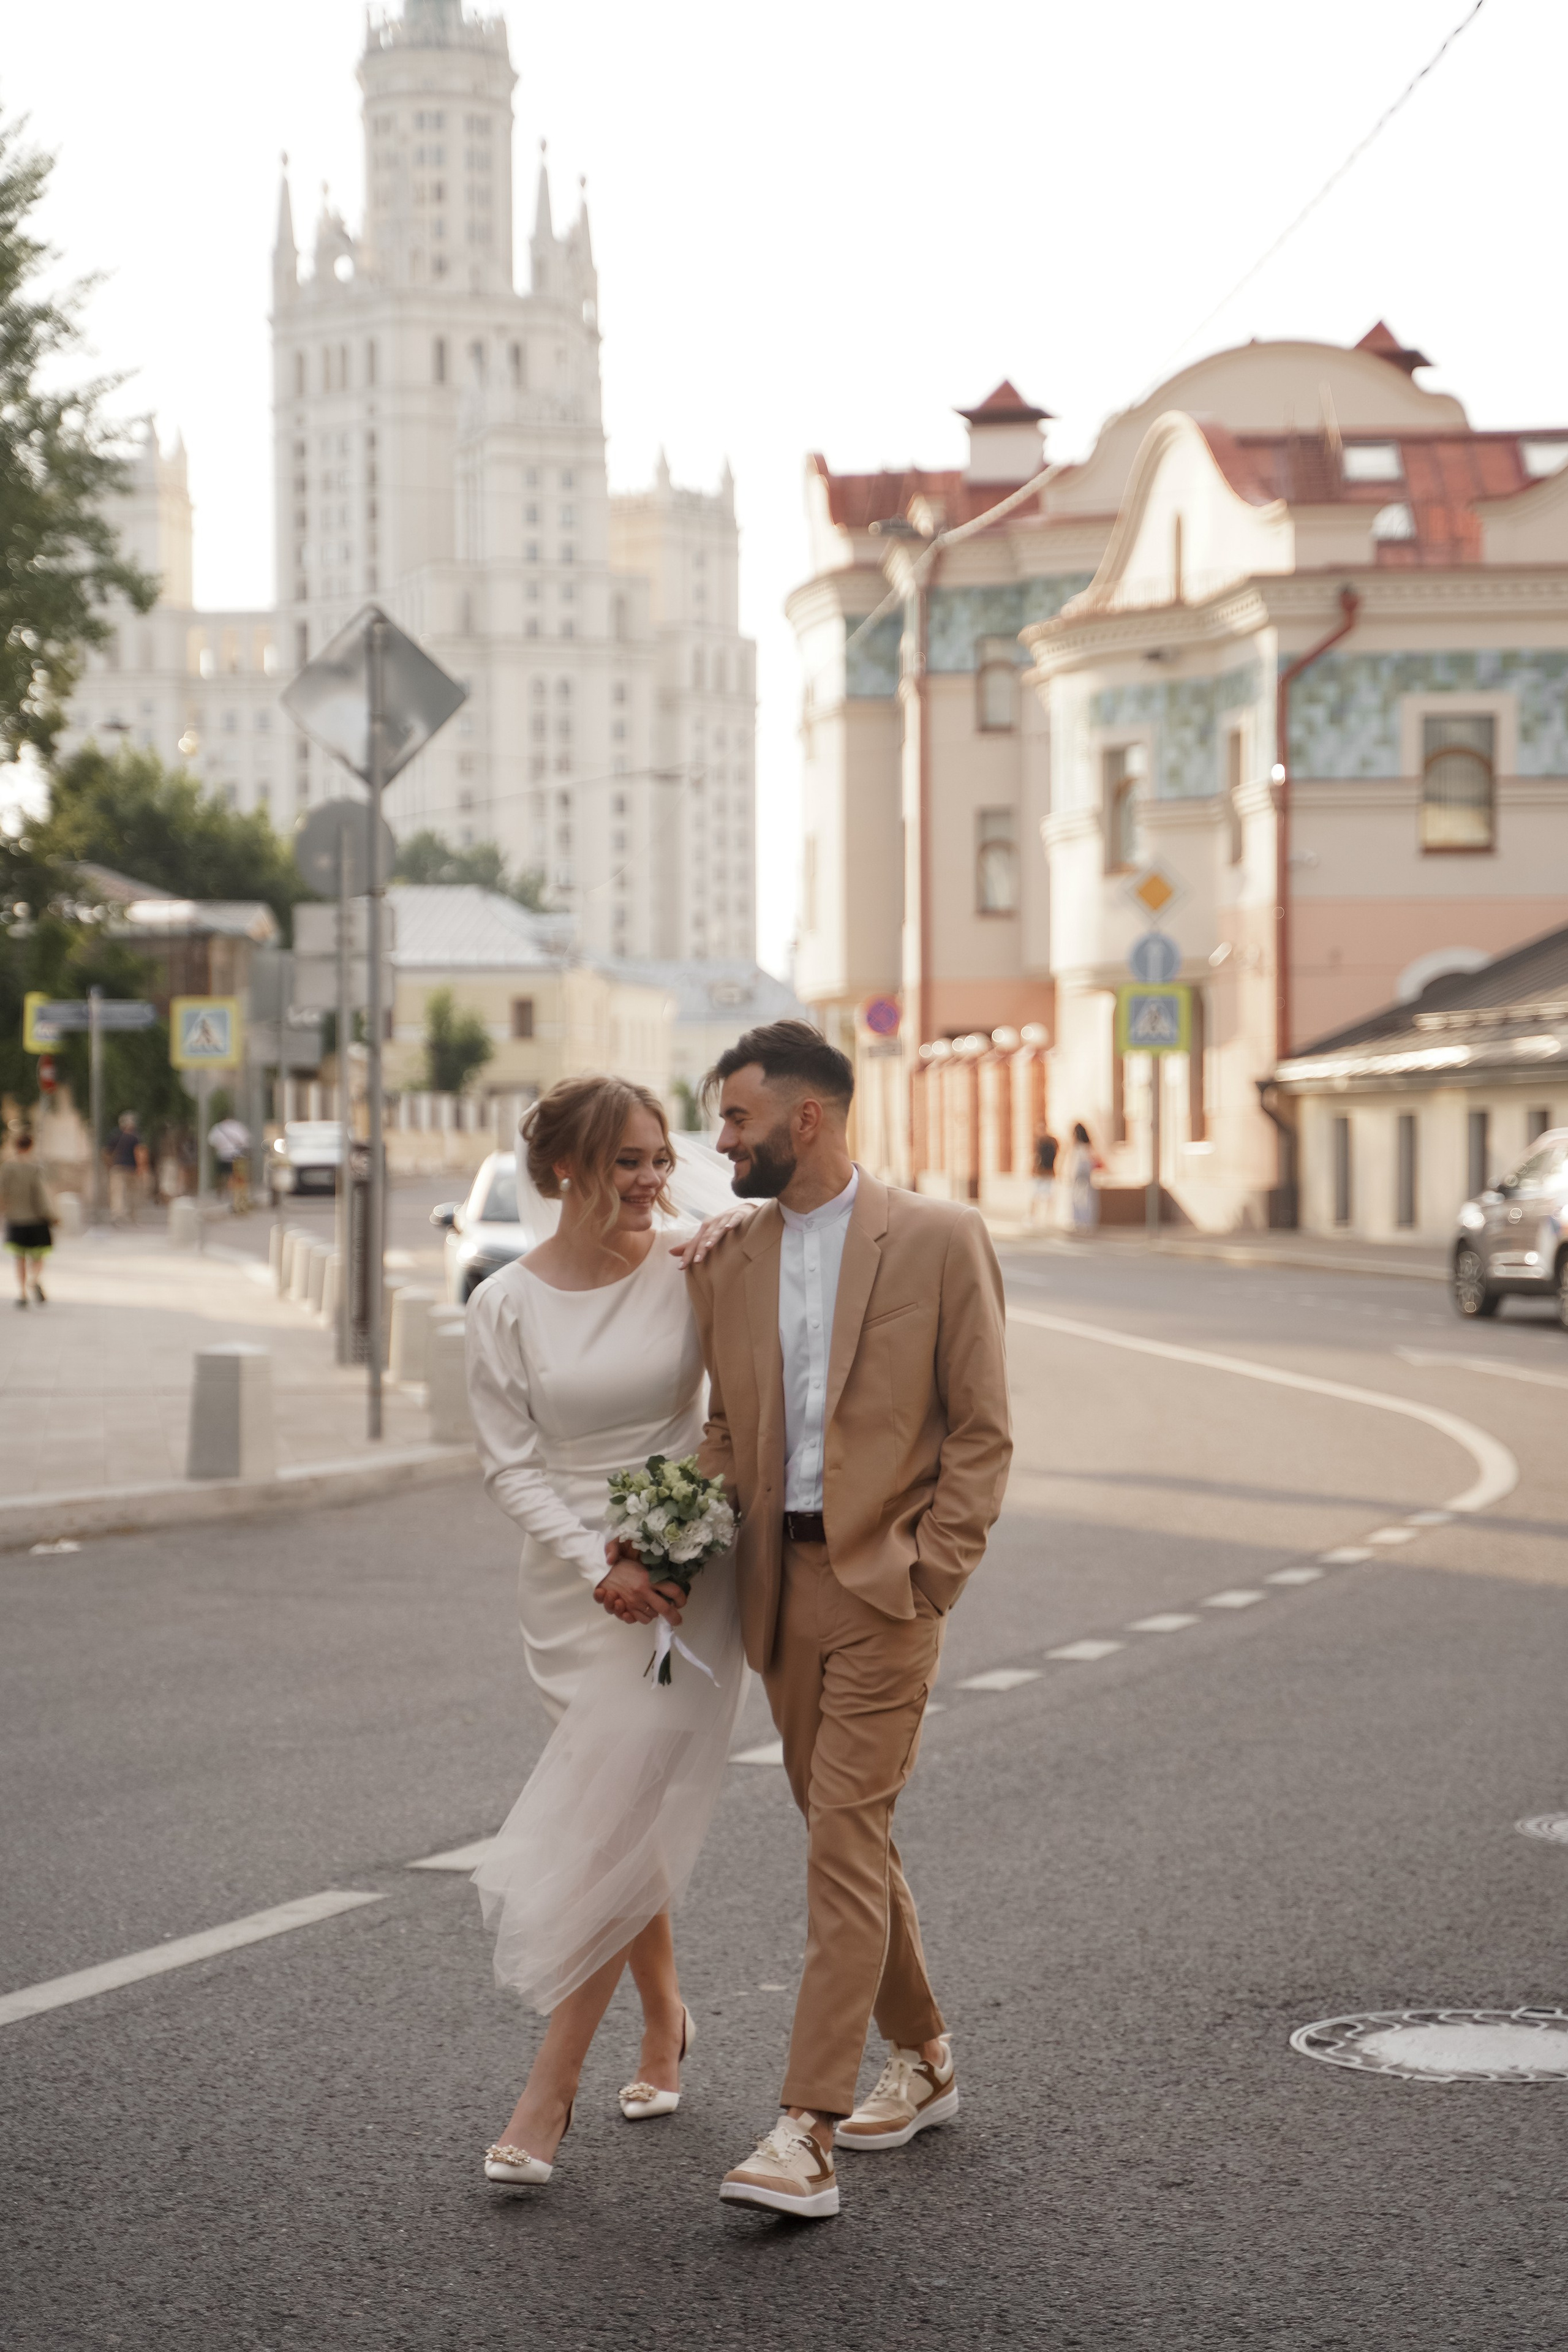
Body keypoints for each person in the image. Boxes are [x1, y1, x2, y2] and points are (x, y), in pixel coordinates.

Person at [653, 1019, 1012, 2220]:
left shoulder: (939, 1239)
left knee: (839, 1838)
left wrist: (931, 1573)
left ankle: (801, 2129)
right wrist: (669, 1533)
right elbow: (721, 1427)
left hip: (883, 1593)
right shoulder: (729, 1258)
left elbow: (980, 1430)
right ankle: (926, 2056)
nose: (721, 1141)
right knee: (843, 1832)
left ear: (804, 1119)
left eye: (735, 1120)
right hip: (773, 1589)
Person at [464, 1075, 748, 2191]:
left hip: (681, 1575)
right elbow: (508, 1465)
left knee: (608, 1818)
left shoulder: (697, 1263)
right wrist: (599, 1564)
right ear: (567, 1171)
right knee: (623, 1816)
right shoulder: (506, 1305)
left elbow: (740, 1390)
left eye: (659, 1158)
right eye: (626, 1161)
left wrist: (656, 1555)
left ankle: (547, 2095)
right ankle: (667, 2017)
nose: (651, 1180)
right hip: (574, 1590)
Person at [2, 1129, 54, 1308]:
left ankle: (22, 1292)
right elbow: (42, 1195)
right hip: (36, 1219)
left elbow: (2, 1194)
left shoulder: (8, 1167)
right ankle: (34, 1280)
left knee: (20, 1257)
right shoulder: (35, 1168)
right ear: (31, 1146)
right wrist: (51, 1215)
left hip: (16, 1219)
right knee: (39, 1256)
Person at [105, 1112, 143, 1226]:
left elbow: (106, 1152)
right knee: (133, 1194)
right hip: (132, 1169)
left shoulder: (116, 1137)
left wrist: (110, 1165)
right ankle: (133, 1217)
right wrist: (142, 1168)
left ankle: (116, 1215)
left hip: (118, 1168)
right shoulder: (136, 1137)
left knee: (117, 1193)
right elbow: (140, 1153)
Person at [208, 1115, 251, 1212]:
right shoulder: (238, 1127)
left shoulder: (218, 1128)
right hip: (236, 1156)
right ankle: (233, 1196)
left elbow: (212, 1142)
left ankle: (221, 1194)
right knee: (235, 1177)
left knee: (221, 1176)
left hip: (222, 1155)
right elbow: (245, 1142)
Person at [1067, 1120, 1101, 1234]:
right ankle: (1087, 1221)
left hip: (1079, 1173)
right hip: (1087, 1173)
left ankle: (1078, 1221)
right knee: (1088, 1198)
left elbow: (1074, 1162)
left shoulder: (1077, 1147)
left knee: (1077, 1197)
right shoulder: (1088, 1146)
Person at [1030, 1123, 1059, 1227]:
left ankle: (1046, 1219)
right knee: (1038, 1196)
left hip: (1045, 1172)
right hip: (1044, 1172)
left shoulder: (1046, 1142)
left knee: (1045, 1196)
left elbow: (1036, 1157)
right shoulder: (1046, 1141)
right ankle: (1037, 1218)